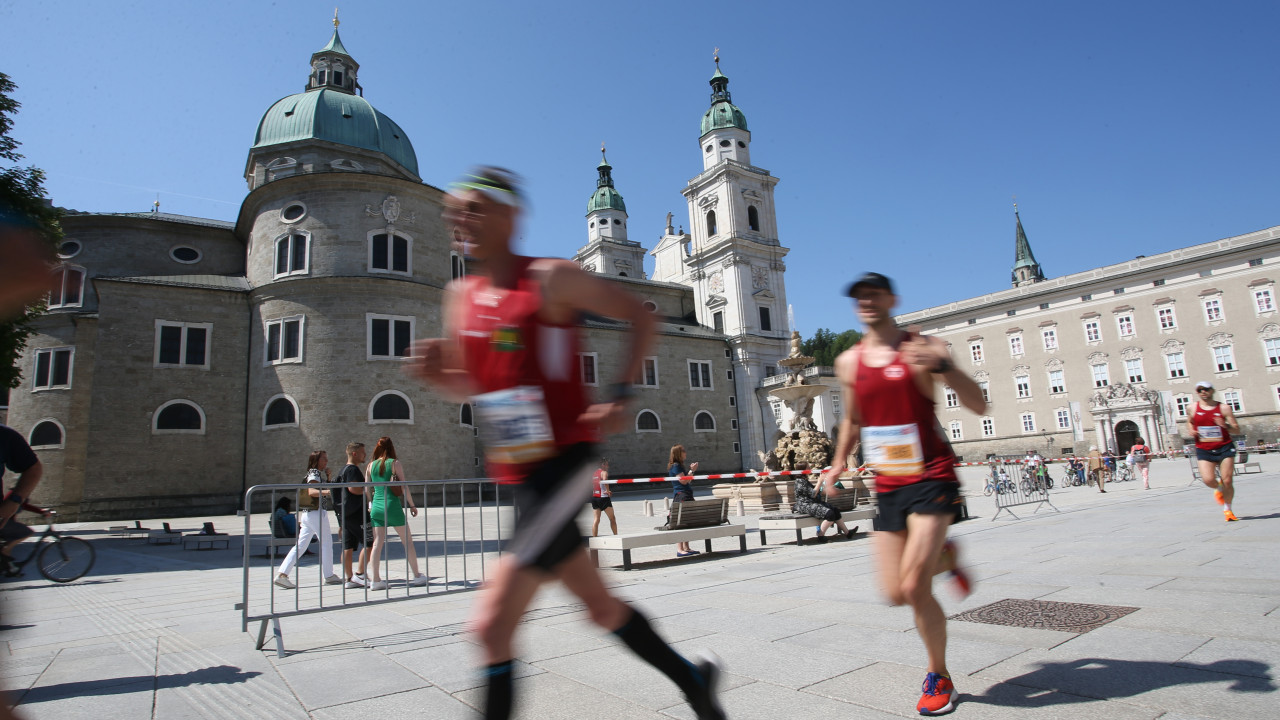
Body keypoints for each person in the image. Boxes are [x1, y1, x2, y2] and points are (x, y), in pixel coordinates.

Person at [408, 166, 725, 720]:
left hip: (562, 463)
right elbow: (476, 381)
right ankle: (693, 681)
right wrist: (442, 375)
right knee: (601, 607)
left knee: (491, 627)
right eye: (453, 212)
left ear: (510, 216)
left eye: (474, 208)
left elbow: (639, 317)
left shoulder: (550, 278)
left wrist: (621, 392)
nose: (460, 219)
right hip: (521, 474)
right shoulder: (461, 295)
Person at [820, 272, 985, 716]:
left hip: (932, 476)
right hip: (888, 483)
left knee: (914, 586)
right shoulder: (849, 362)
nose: (866, 302)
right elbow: (852, 420)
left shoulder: (922, 347)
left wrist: (944, 366)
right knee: (894, 593)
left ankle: (940, 675)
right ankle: (944, 558)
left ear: (891, 299)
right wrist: (839, 461)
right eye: (859, 297)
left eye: (874, 294)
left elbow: (979, 404)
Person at [365, 436, 427, 590]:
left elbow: (367, 488)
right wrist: (412, 505)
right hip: (392, 505)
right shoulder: (394, 463)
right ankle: (417, 576)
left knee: (377, 543)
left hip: (376, 506)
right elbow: (404, 486)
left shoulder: (370, 465)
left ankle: (376, 580)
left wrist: (370, 504)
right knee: (408, 542)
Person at [274, 450, 341, 589]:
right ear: (316, 460)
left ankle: (282, 574)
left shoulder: (314, 473)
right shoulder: (314, 473)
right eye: (324, 459)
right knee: (327, 543)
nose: (326, 461)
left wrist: (328, 478)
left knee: (301, 545)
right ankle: (328, 575)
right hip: (316, 513)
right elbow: (313, 491)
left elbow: (318, 489)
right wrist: (331, 491)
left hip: (308, 514)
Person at [1188, 381, 1240, 521]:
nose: (1203, 392)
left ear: (1212, 391)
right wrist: (1191, 430)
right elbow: (1190, 421)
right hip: (1204, 448)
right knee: (1208, 479)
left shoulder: (1224, 408)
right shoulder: (1192, 408)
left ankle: (1228, 510)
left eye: (1206, 389)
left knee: (1228, 480)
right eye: (1199, 390)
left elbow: (1237, 429)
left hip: (1224, 446)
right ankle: (1219, 488)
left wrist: (1225, 425)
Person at [1, 424, 45, 574]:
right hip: (8, 523)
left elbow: (33, 468)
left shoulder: (4, 435)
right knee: (26, 532)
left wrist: (14, 501)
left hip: (4, 521)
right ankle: (6, 551)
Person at [337, 441, 374, 588]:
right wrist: (367, 487)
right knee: (370, 542)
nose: (365, 455)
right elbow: (353, 489)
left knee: (348, 547)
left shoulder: (342, 470)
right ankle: (360, 574)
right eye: (362, 452)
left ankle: (349, 578)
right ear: (354, 453)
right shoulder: (353, 470)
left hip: (346, 514)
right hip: (357, 513)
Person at [792, 464, 857, 541]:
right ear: (803, 470)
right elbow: (813, 494)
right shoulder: (800, 482)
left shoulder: (804, 480)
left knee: (835, 510)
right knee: (830, 514)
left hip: (812, 503)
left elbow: (815, 493)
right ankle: (821, 535)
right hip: (805, 505)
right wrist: (820, 481)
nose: (810, 468)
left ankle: (847, 533)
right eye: (808, 467)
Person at [668, 444, 700, 557]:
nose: (686, 452)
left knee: (687, 520)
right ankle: (680, 549)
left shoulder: (679, 466)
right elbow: (683, 481)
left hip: (685, 494)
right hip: (682, 495)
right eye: (684, 451)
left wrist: (691, 472)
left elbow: (687, 481)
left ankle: (686, 547)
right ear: (678, 453)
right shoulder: (676, 466)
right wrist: (692, 471)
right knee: (681, 521)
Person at [590, 458, 617, 537]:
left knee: (596, 520)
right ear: (603, 465)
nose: (608, 466)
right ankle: (616, 536)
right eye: (607, 464)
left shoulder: (594, 473)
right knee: (612, 519)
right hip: (603, 498)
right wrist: (608, 491)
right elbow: (605, 480)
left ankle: (594, 539)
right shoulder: (604, 472)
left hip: (595, 498)